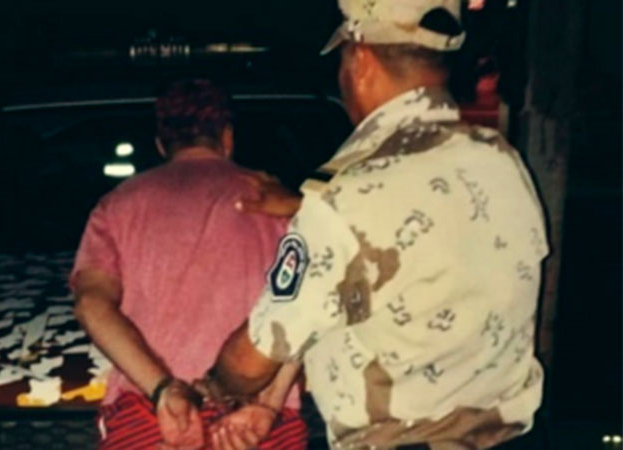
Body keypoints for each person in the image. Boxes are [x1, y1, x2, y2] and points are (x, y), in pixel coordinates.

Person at [203, 1, 549, 449]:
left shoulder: (346, 194)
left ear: (361, 60)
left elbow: (253, 360)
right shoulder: (501, 162)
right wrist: (271, 403)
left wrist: (213, 387)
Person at [71, 79, 307, 449]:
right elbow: (305, 305)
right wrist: (269, 404)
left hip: (151, 419)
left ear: (161, 144)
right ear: (227, 137)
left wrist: (162, 389)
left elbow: (90, 303)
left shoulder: (117, 205)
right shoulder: (275, 199)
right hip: (256, 421)